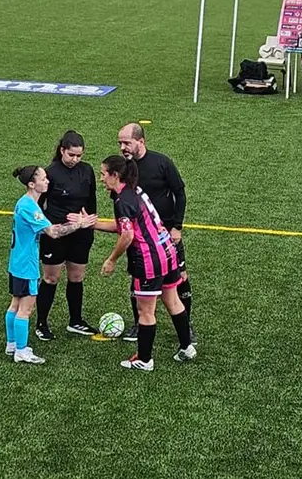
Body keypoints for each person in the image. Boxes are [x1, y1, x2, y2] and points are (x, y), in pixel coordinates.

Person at [95, 155, 197, 371]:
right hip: (168, 251)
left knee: (145, 312)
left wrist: (111, 259)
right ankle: (187, 347)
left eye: (103, 174)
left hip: (149, 259)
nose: (101, 178)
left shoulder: (123, 201)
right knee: (173, 300)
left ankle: (144, 359)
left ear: (115, 175)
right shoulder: (136, 191)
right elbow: (129, 226)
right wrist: (93, 224)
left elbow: (127, 235)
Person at [6, 165, 96, 365]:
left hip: (16, 262)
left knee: (15, 304)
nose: (48, 181)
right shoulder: (30, 207)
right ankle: (21, 351)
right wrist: (79, 224)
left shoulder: (25, 203)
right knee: (25, 309)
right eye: (44, 179)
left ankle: (12, 344)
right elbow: (54, 232)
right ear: (32, 184)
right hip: (26, 264)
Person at [117, 122, 193, 344]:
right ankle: (140, 323)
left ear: (141, 142)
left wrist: (177, 226)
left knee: (180, 278)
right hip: (140, 237)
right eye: (120, 143)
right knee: (138, 278)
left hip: (166, 234)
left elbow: (179, 193)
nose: (123, 147)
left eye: (127, 143)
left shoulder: (162, 162)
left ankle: (186, 325)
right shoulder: (124, 168)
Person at [34, 130, 99, 341]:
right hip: (55, 234)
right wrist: (47, 226)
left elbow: (91, 201)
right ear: (62, 150)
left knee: (77, 277)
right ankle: (41, 323)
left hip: (80, 234)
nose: (75, 159)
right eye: (71, 155)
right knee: (51, 278)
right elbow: (37, 204)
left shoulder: (87, 171)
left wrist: (89, 223)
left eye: (79, 155)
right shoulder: (50, 173)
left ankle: (76, 321)